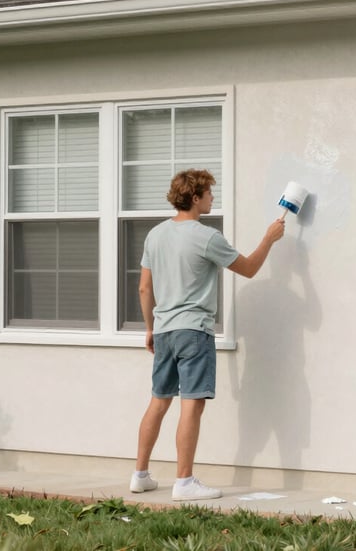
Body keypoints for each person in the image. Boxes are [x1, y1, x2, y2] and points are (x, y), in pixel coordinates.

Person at [129, 168, 285, 501]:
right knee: (192, 405)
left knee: (158, 402)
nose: (213, 197)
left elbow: (144, 288)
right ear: (195, 198)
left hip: (166, 331)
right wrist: (269, 239)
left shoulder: (155, 235)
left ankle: (140, 475)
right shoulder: (206, 237)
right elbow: (249, 268)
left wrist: (149, 328)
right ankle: (184, 482)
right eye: (210, 193)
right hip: (193, 332)